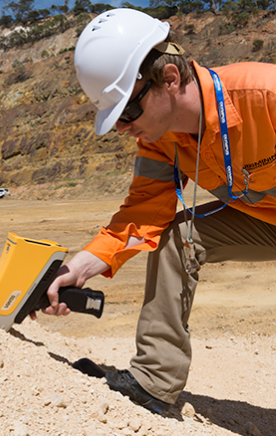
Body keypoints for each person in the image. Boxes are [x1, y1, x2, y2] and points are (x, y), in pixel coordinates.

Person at [41, 8, 276, 415]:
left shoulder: (266, 96)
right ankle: (154, 382)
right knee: (179, 236)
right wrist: (80, 266)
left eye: (127, 113)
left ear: (169, 79)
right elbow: (144, 211)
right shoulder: (160, 139)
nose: (123, 128)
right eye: (115, 119)